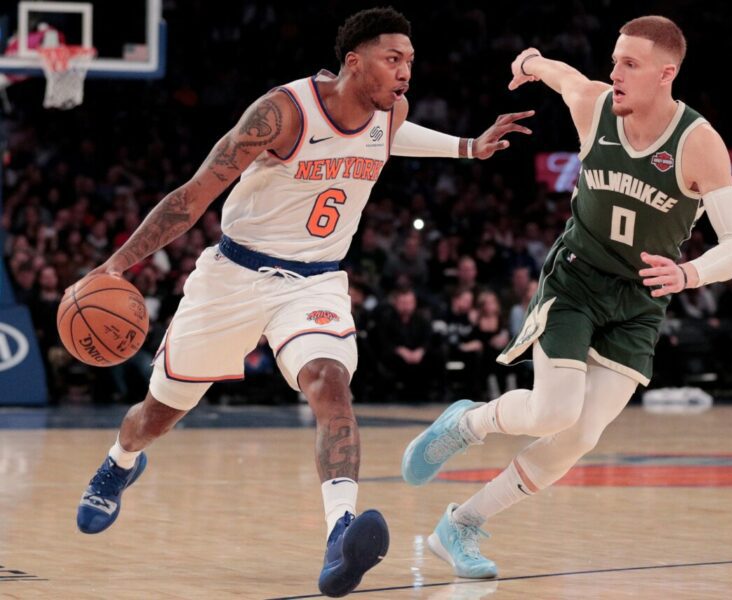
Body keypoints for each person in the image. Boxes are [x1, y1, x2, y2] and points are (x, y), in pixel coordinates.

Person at [71, 7, 532, 597]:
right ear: (353, 61)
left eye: (410, 62)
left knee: (329, 383)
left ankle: (341, 533)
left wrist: (470, 147)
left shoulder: (392, 112)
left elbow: (395, 138)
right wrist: (114, 266)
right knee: (156, 416)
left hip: (314, 281)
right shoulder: (281, 114)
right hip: (232, 276)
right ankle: (120, 460)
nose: (405, 73)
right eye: (393, 60)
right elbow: (192, 196)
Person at [402, 15, 732, 579]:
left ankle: (460, 524)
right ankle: (465, 424)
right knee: (554, 411)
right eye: (614, 60)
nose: (614, 72)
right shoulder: (595, 105)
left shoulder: (697, 143)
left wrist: (689, 275)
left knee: (580, 436)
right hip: (578, 279)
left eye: (629, 64)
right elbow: (563, 76)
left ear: (666, 75)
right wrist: (530, 61)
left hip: (639, 302)